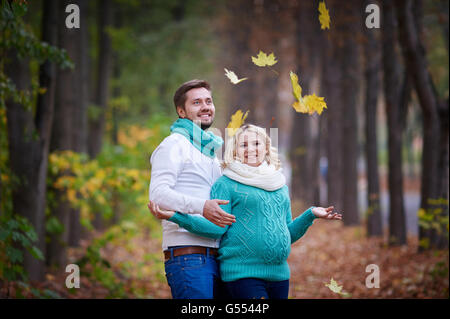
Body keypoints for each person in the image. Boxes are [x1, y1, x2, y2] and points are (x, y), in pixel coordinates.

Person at [148, 124, 342, 299]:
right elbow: (217, 228)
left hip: (279, 274)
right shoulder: (227, 183)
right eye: (243, 145)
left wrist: (311, 215)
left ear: (266, 147)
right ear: (235, 151)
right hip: (242, 273)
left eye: (256, 143)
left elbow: (286, 234)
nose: (250, 149)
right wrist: (177, 217)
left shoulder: (279, 184)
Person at [148, 79, 235, 299]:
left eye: (208, 101)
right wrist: (202, 207)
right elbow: (158, 194)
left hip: (220, 257)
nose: (205, 106)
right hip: (189, 256)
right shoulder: (174, 144)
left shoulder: (210, 153)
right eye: (196, 102)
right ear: (181, 111)